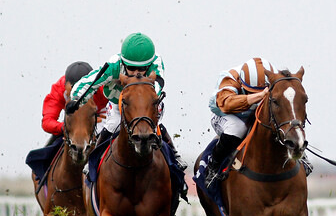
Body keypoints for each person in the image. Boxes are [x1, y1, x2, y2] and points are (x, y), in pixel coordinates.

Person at [66, 33, 187, 172]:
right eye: (131, 68)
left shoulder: (157, 62)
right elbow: (89, 82)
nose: (136, 73)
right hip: (120, 102)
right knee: (112, 125)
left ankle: (175, 155)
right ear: (123, 63)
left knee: (153, 123)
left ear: (149, 64)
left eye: (142, 69)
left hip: (147, 102)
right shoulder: (113, 65)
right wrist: (76, 99)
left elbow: (158, 85)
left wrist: (146, 101)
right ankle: (93, 160)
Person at [203, 57, 313, 187]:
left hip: (252, 113)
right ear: (242, 84)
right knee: (238, 128)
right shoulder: (229, 78)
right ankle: (214, 166)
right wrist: (259, 96)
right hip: (226, 113)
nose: (258, 97)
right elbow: (227, 104)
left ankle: (299, 151)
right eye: (251, 91)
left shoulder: (273, 76)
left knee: (275, 122)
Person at [42, 61, 108, 145]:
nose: (78, 92)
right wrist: (64, 127)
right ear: (65, 85)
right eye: (74, 88)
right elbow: (47, 121)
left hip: (101, 117)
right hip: (72, 121)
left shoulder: (103, 87)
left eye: (84, 88)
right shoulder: (58, 90)